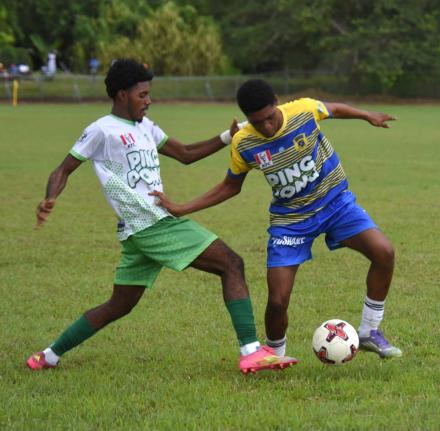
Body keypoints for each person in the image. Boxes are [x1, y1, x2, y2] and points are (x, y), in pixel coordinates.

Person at [26, 61, 298, 374]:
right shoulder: (101, 129)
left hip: (139, 229)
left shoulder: (146, 127)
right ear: (122, 94)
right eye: (142, 95)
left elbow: (185, 154)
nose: (148, 100)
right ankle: (251, 351)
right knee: (231, 263)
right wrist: (50, 197)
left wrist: (227, 136)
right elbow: (63, 169)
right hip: (152, 223)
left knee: (119, 305)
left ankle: (48, 355)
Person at [152, 79, 402, 360]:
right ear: (248, 119)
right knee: (277, 300)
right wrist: (183, 208)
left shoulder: (303, 110)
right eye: (258, 122)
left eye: (270, 117)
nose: (267, 127)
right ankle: (274, 355)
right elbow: (230, 187)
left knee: (384, 252)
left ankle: (369, 331)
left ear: (277, 102)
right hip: (291, 221)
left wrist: (367, 115)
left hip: (336, 204)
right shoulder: (243, 142)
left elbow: (334, 109)